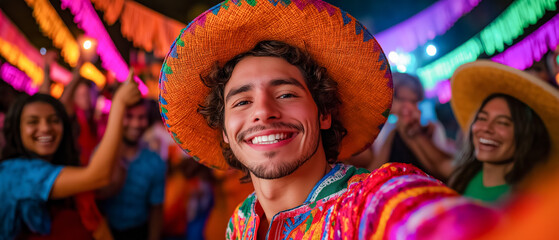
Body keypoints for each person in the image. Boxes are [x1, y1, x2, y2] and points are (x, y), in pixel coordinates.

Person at [158, 1, 498, 239]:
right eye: (242, 101)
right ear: (225, 134)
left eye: (286, 94)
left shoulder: (374, 203)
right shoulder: (242, 221)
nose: (262, 111)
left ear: (323, 114)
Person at [0, 72, 141, 239]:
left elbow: (101, 189)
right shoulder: (14, 173)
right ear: (17, 130)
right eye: (33, 121)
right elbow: (98, 177)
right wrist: (119, 103)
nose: (45, 128)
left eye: (54, 120)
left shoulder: (60, 167)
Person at [447, 60, 556, 203]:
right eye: (482, 118)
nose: (486, 128)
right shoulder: (463, 177)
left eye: (502, 123)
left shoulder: (526, 200)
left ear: (525, 134)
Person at [346, 72, 454, 180]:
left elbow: (440, 167)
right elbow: (373, 173)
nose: (408, 107)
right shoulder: (375, 131)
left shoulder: (431, 127)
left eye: (413, 101)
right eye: (402, 100)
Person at [96, 99, 166, 240]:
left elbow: (156, 210)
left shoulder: (155, 162)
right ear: (118, 118)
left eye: (141, 117)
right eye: (129, 116)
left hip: (138, 232)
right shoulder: (102, 154)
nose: (135, 124)